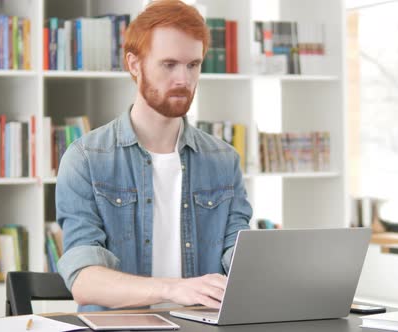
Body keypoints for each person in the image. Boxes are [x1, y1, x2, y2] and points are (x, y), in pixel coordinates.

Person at [55, 0, 252, 312]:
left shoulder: (223, 160)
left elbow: (237, 257)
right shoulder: (86, 158)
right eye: (169, 64)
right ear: (134, 65)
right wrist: (173, 289)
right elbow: (84, 279)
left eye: (193, 65)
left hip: (200, 325)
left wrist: (274, 274)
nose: (183, 80)